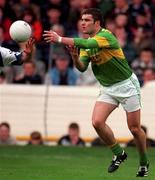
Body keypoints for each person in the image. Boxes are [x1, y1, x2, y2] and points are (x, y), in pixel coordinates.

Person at [43, 8, 149, 177]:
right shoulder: (86, 42)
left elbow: (88, 44)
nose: (82, 23)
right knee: (97, 122)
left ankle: (144, 162)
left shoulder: (105, 36)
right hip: (108, 87)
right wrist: (75, 57)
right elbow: (82, 68)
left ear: (97, 23)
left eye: (86, 20)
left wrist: (60, 39)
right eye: (82, 19)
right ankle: (119, 154)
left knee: (135, 129)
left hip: (126, 85)